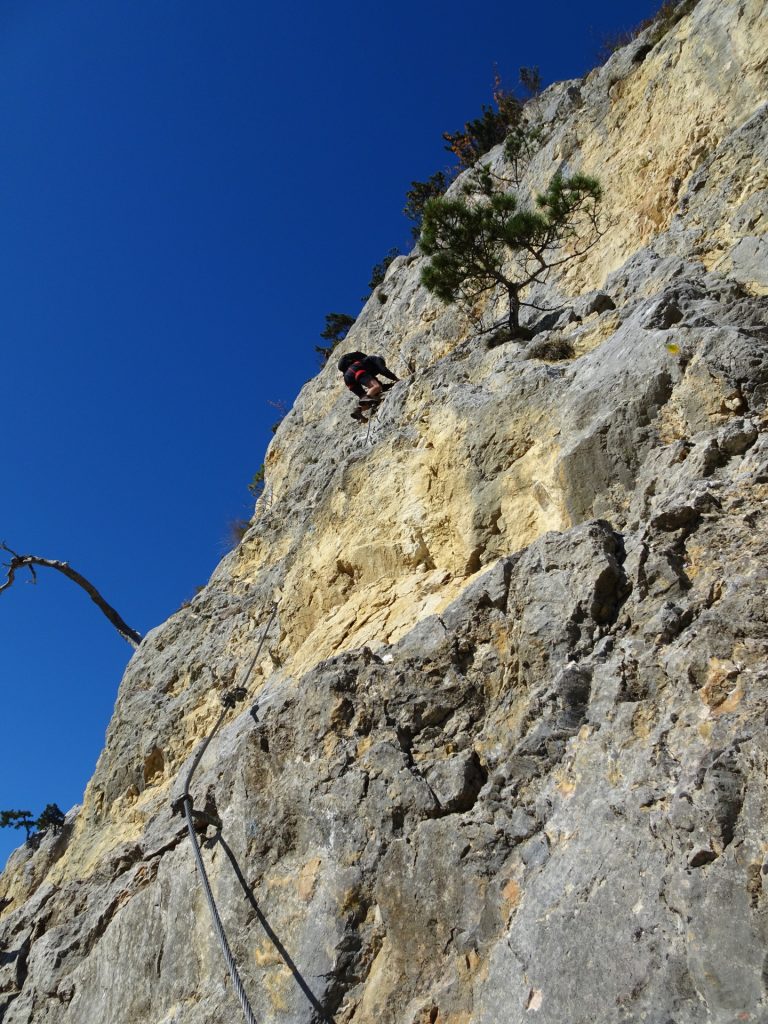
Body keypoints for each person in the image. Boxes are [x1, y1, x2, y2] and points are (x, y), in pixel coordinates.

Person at [337, 352, 399, 421]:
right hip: (355, 370)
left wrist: (391, 385)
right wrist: (396, 379)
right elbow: (383, 370)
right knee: (376, 387)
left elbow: (380, 385)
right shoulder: (375, 358)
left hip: (348, 379)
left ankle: (358, 410)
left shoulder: (367, 368)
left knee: (369, 398)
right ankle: (366, 399)